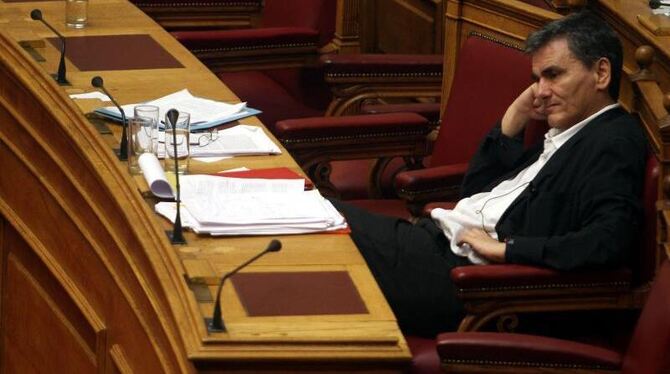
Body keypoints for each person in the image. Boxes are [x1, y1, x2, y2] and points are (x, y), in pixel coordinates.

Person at [330, 10, 647, 337]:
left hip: (463, 281)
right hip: (433, 244)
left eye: (553, 75)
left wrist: (509, 249)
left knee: (317, 221)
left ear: (602, 73)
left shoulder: (612, 141)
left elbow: (608, 241)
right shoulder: (569, 130)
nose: (540, 91)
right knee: (312, 217)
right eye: (537, 79)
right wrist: (515, 117)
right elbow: (476, 193)